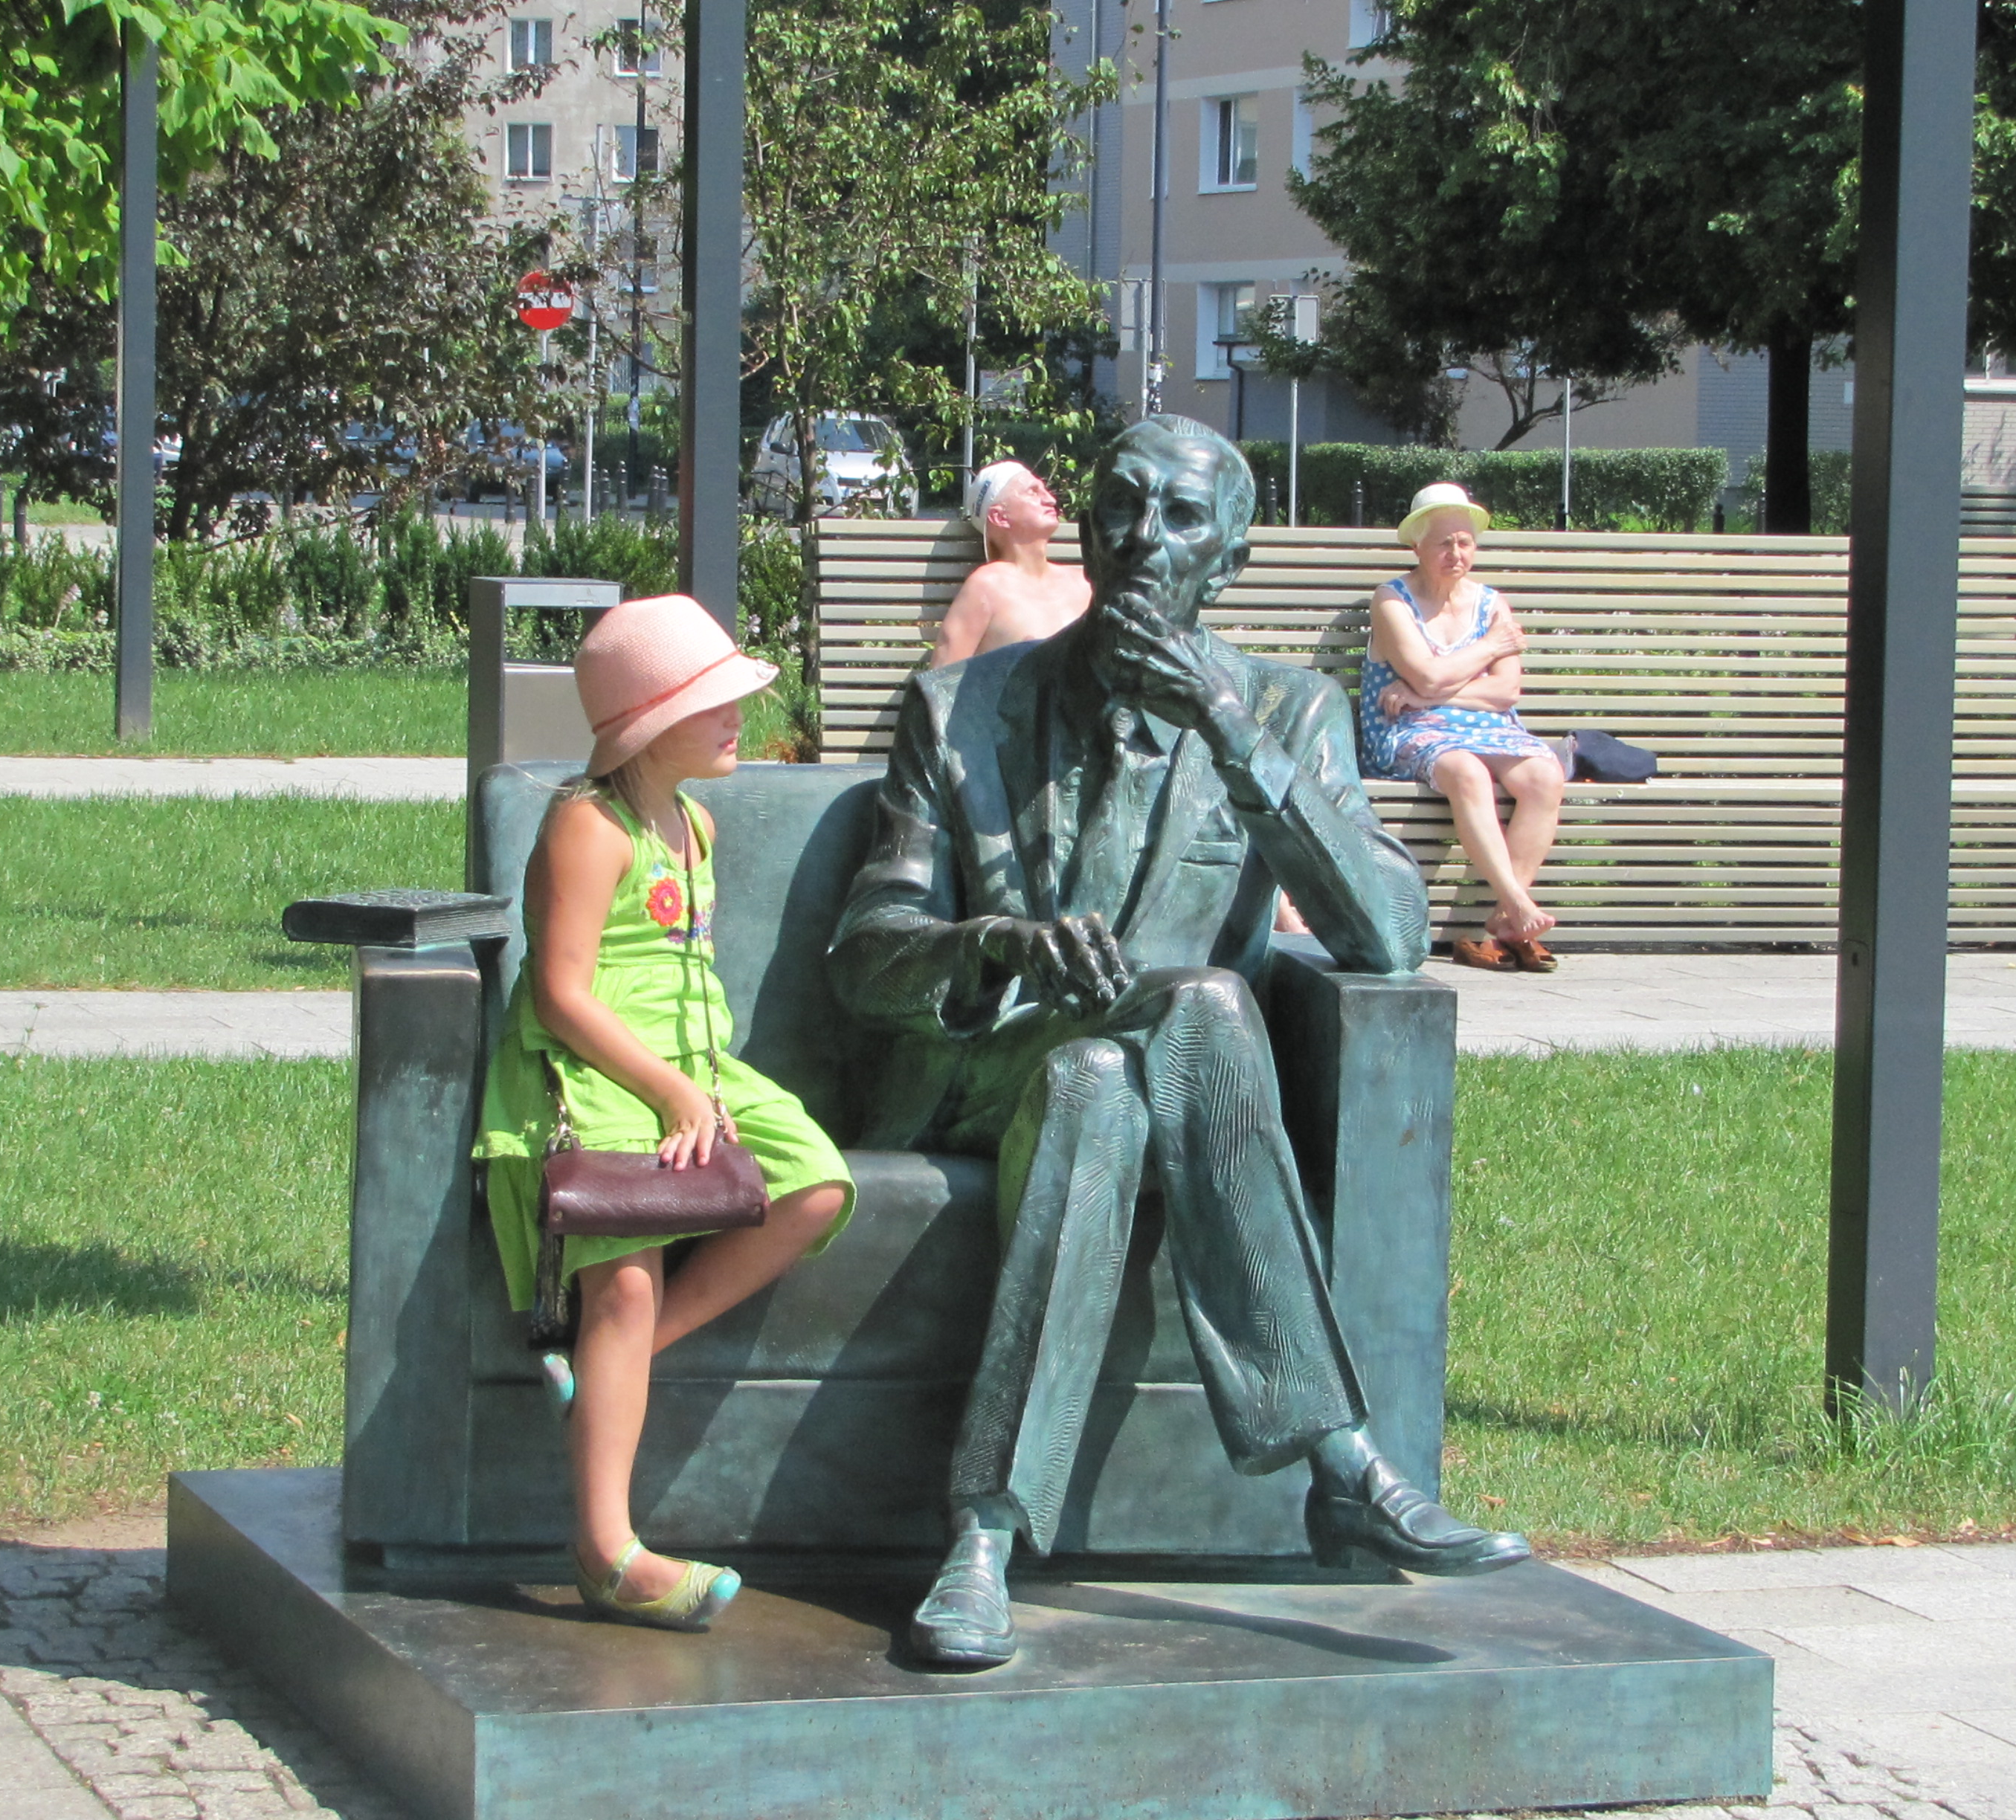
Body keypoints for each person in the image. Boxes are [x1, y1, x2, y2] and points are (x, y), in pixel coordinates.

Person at [831, 418, 1529, 1672]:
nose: (1144, 539)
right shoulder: (959, 708)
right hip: (977, 1071)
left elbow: (1387, 936)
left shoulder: (1283, 708)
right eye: (1120, 507)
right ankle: (1337, 1460)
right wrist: (993, 942)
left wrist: (1226, 728)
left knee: (1104, 1072)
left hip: (1135, 1088)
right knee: (1188, 1009)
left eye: (1181, 518)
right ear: (1085, 529)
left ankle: (983, 1535)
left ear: (1232, 557)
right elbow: (866, 948)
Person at [474, 593, 855, 1633]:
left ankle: (606, 1374)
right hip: (597, 1072)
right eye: (715, 702)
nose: (740, 718)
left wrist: (700, 1083)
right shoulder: (587, 827)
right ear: (648, 718)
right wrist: (670, 1091)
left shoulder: (694, 821)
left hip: (699, 1065)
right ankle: (608, 1553)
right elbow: (561, 994)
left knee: (816, 1185)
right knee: (625, 1289)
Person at [1359, 483, 1566, 972]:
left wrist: (1430, 689)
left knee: (1545, 773)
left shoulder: (1492, 603)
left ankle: (1506, 920)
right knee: (1467, 772)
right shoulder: (1392, 601)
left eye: (1465, 542)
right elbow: (1425, 673)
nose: (1457, 553)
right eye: (1443, 543)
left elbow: (1506, 693)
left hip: (1483, 725)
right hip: (1407, 728)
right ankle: (1518, 905)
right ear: (1417, 545)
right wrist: (1489, 650)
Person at [927, 459, 1092, 666]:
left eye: (1045, 490)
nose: (1050, 499)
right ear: (1000, 517)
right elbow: (941, 680)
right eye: (1033, 491)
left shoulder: (1084, 582)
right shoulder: (987, 586)